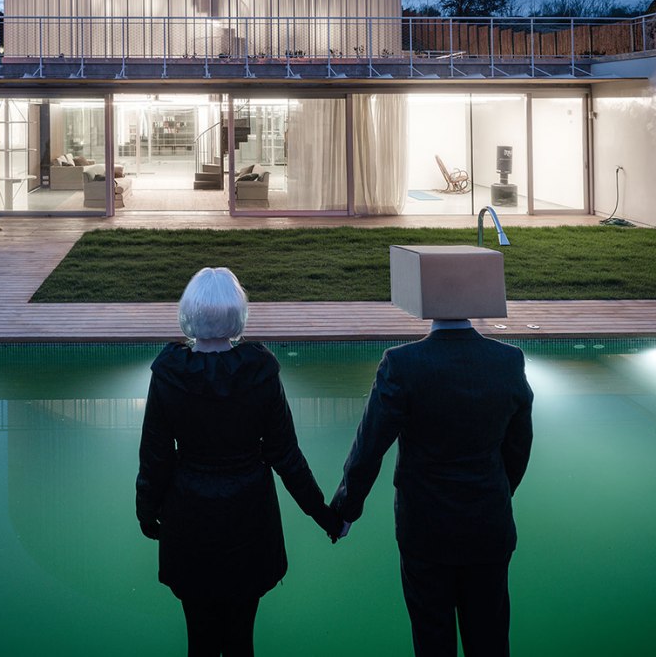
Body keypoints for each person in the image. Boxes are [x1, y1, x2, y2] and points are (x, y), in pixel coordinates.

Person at [136, 267, 341, 656]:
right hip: (249, 523)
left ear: (190, 314)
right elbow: (287, 456)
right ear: (237, 315)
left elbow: (155, 458)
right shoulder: (260, 371)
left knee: (199, 641)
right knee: (241, 642)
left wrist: (146, 512)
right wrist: (325, 516)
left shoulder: (167, 374)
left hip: (189, 521)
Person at [331, 318, 534, 657]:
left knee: (432, 642)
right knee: (490, 640)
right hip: (488, 525)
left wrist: (346, 509)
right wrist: (496, 493)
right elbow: (518, 447)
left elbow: (369, 447)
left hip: (425, 530)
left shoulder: (401, 363)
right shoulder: (508, 359)